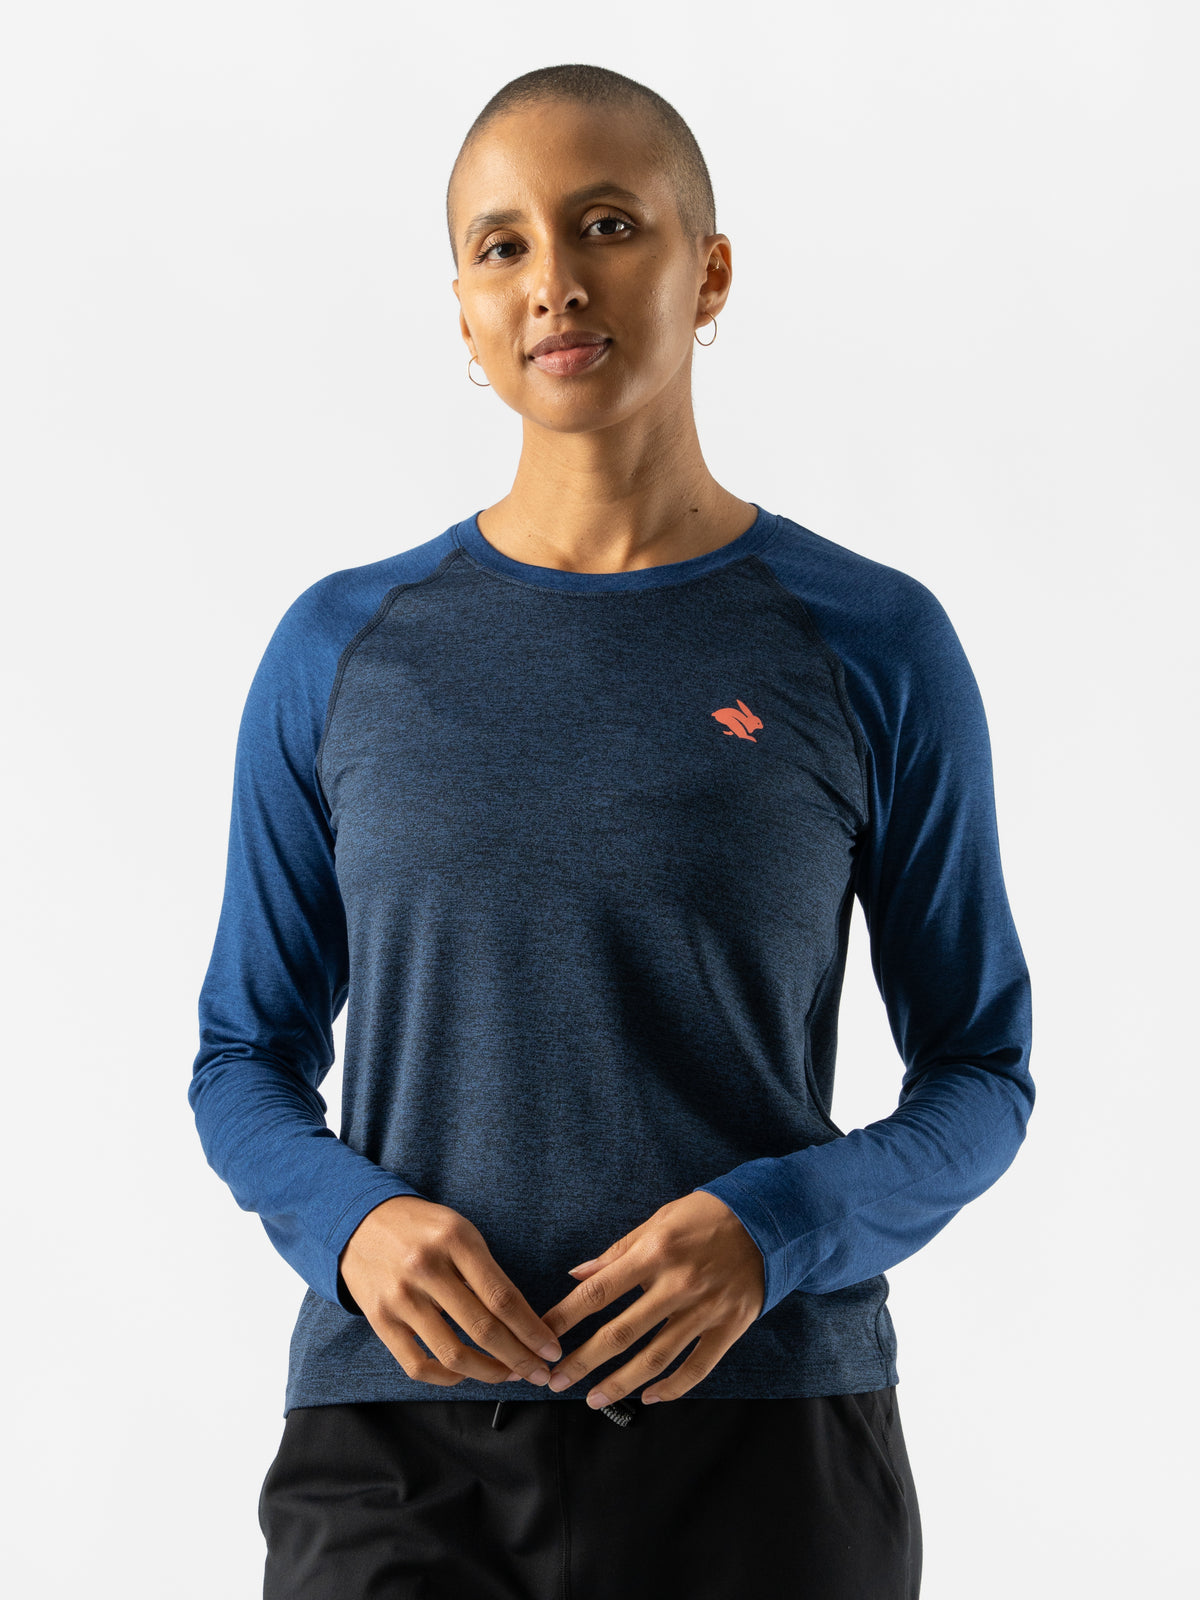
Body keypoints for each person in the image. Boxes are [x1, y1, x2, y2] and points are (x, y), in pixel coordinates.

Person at [189, 62, 1034, 1600]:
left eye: (607, 225)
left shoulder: (872, 641)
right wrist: (351, 1225)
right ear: (463, 310)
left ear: (708, 272)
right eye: (502, 245)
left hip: (766, 1441)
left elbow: (982, 1072)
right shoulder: (341, 649)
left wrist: (779, 1228)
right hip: (400, 1448)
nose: (554, 282)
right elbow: (242, 1056)